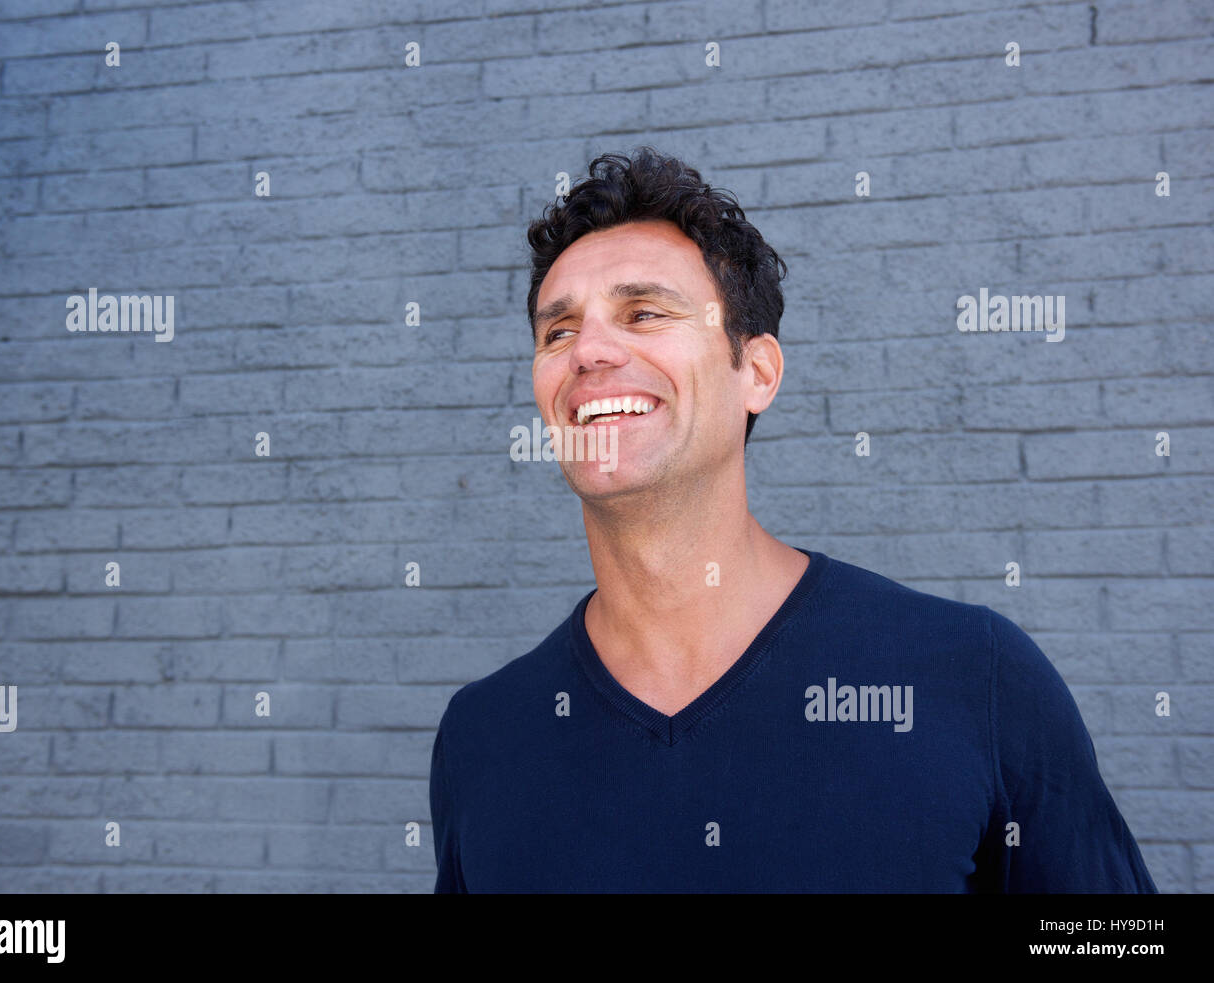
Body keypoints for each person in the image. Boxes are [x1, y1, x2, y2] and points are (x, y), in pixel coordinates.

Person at [428, 147, 1156, 893]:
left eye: (644, 312)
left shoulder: (973, 678)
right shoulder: (484, 738)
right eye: (558, 331)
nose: (589, 351)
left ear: (758, 372)